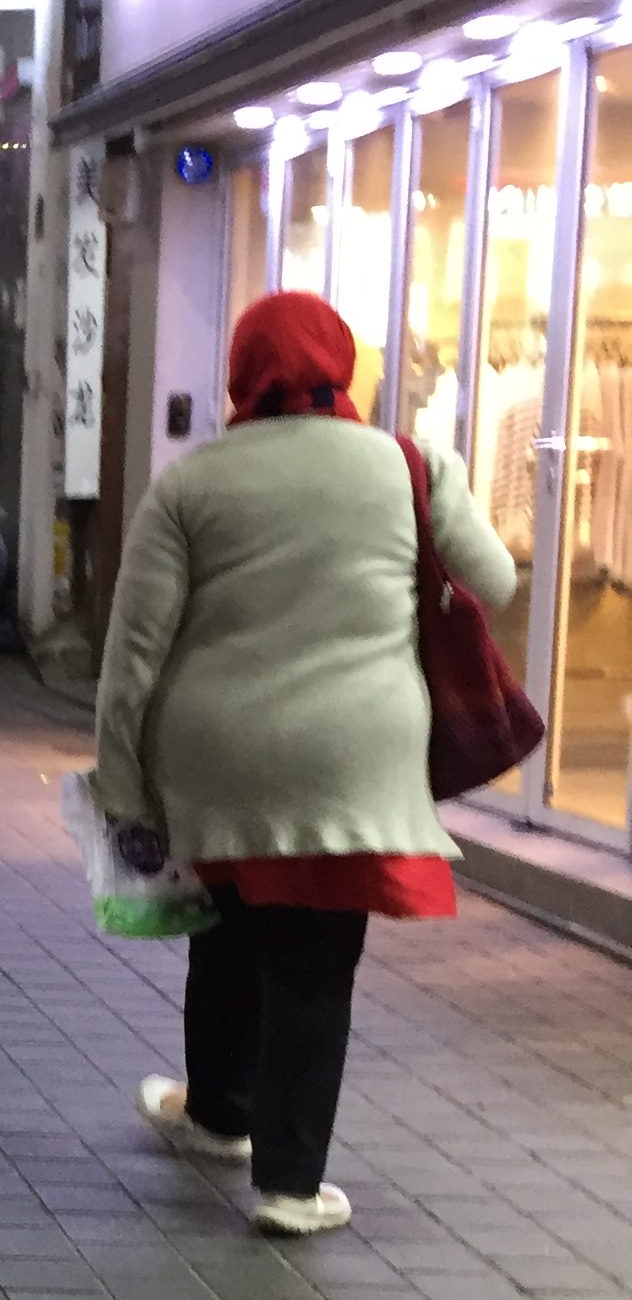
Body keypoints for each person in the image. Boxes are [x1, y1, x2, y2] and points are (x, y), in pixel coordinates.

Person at [94, 289, 516, 1237]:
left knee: (227, 927)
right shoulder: (408, 464)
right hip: (351, 755)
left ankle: (217, 1115)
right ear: (345, 366)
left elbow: (133, 656)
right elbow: (492, 579)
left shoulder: (190, 484)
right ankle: (289, 1185)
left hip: (213, 756)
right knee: (316, 965)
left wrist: (121, 784)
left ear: (242, 374)